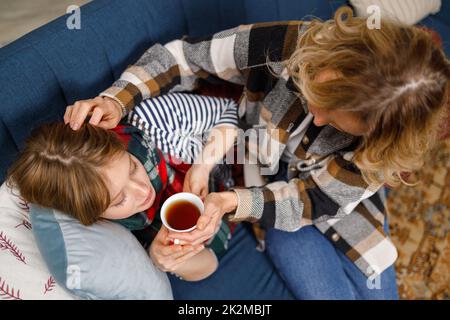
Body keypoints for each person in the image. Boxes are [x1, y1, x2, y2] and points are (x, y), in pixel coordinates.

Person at [64, 7, 450, 299]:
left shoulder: (383, 147)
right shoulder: (286, 44)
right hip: (256, 176)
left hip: (325, 195)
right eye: (314, 92)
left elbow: (315, 199)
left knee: (374, 272)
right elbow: (183, 58)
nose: (313, 114)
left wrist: (226, 199)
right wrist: (118, 99)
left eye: (334, 120)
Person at [7, 92, 239, 282]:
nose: (143, 191)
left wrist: (202, 166)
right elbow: (210, 264)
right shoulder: (115, 232)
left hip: (238, 167)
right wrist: (164, 260)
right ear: (95, 215)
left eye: (132, 167)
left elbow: (230, 108)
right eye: (119, 200)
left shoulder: (152, 121)